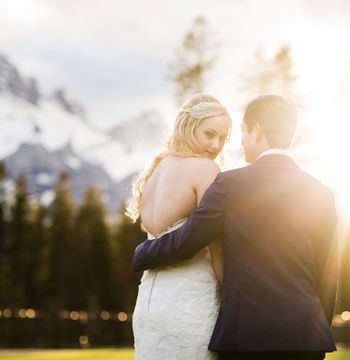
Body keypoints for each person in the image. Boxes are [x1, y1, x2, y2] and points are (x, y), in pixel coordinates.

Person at [132, 94, 339, 360]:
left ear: (256, 132)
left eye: (240, 133)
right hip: (306, 334)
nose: (236, 143)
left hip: (245, 335)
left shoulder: (230, 184)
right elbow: (329, 273)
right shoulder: (322, 193)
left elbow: (191, 237)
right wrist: (319, 327)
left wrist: (143, 252)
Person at [128, 93, 232, 360]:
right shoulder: (206, 170)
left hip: (149, 307)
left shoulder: (156, 169)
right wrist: (233, 299)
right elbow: (218, 248)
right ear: (188, 126)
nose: (216, 144)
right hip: (190, 306)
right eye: (209, 133)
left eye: (223, 138)